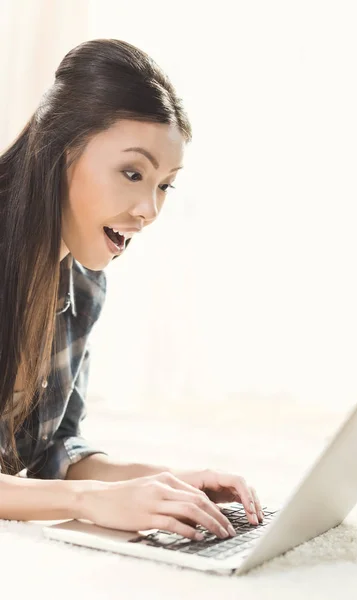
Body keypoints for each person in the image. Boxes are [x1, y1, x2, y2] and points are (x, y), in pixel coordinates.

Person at [0, 38, 263, 542]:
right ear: (61, 148)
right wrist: (91, 503)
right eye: (132, 173)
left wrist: (159, 483)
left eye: (164, 184)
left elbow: (55, 453)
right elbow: (69, 490)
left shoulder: (84, 282)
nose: (149, 210)